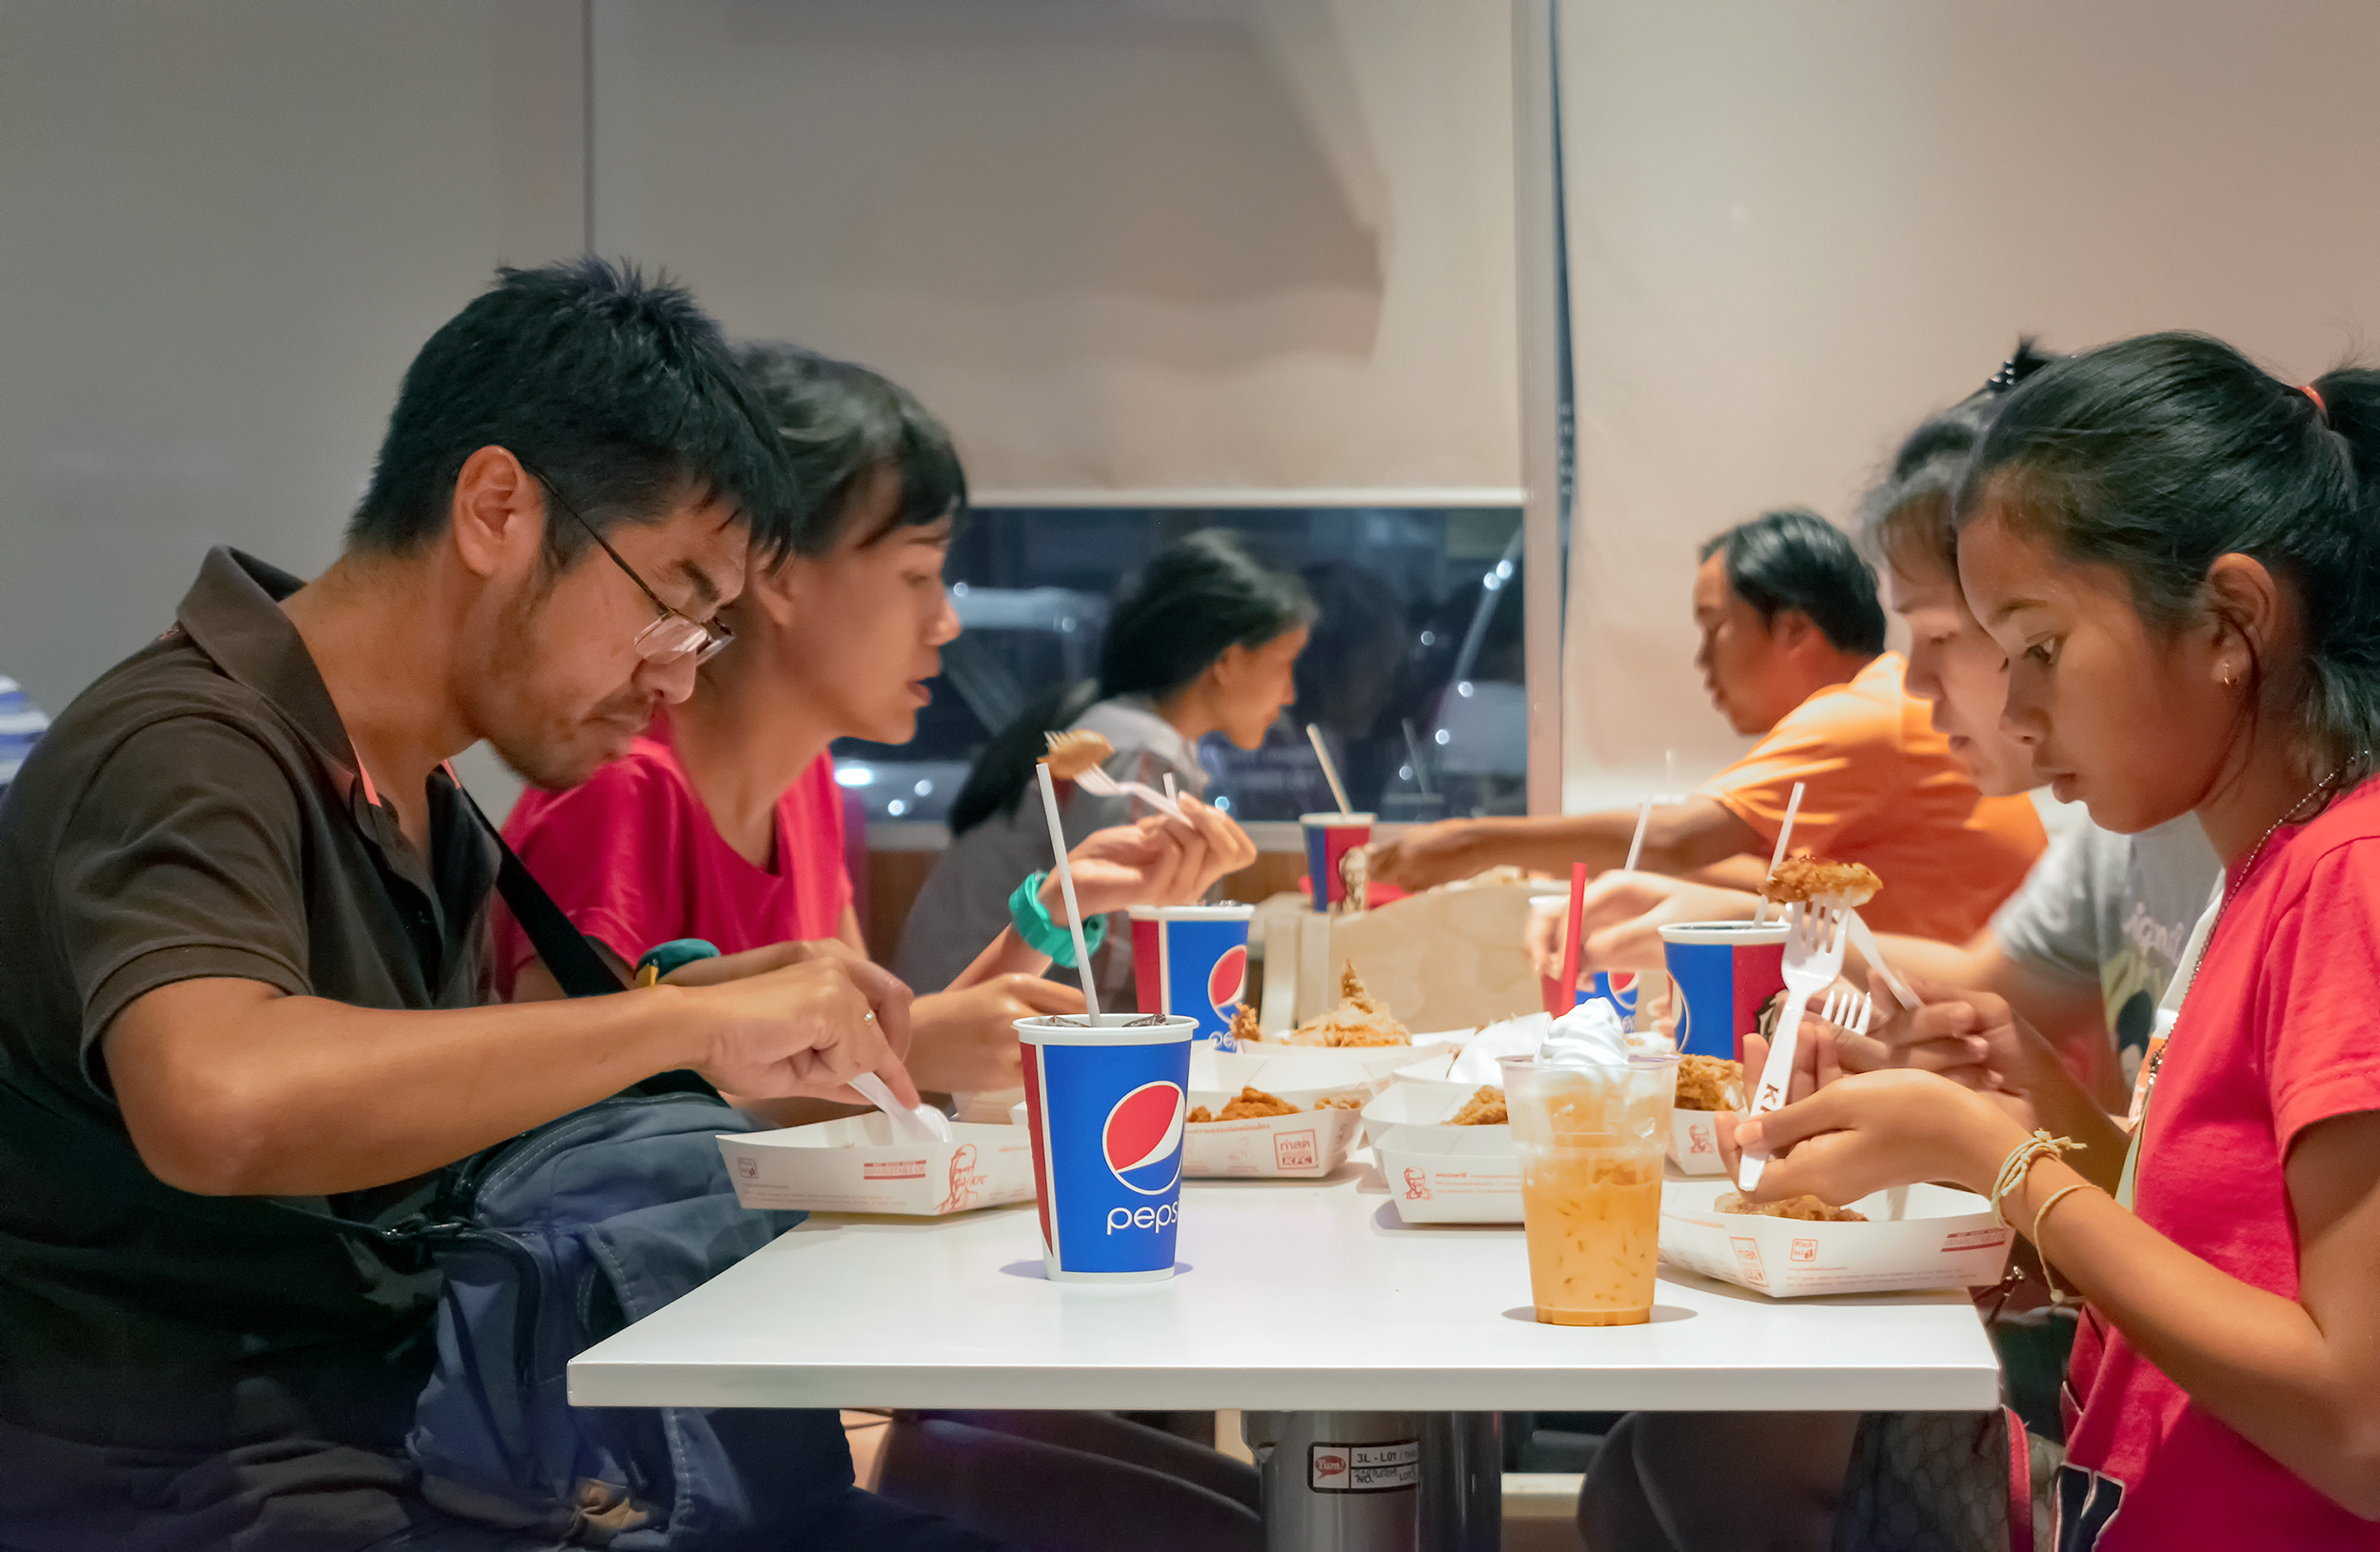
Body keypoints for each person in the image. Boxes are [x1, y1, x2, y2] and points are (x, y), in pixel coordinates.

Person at [0, 259, 997, 1552]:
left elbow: (443, 1099)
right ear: (493, 508)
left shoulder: (414, 792)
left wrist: (715, 999)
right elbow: (222, 1100)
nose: (677, 681)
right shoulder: (184, 747)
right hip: (216, 1491)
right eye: (670, 605)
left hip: (441, 1448)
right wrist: (677, 1031)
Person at [1733, 334, 2380, 1549]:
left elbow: (2359, 1426)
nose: (2017, 714)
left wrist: (2006, 1165)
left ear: (2231, 618)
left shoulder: (2347, 880)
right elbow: (2219, 1257)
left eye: (2039, 647)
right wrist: (2026, 1101)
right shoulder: (2271, 868)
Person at [500, 346, 1255, 1111]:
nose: (947, 622)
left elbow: (871, 1076)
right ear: (780, 573)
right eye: (917, 575)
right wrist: (920, 1042)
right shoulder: (617, 794)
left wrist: (1057, 909)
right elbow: (569, 1137)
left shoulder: (803, 784)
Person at [1542, 349, 2221, 1110]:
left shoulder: (2297, 869)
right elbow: (1985, 992)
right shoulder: (2120, 836)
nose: (1916, 686)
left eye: (2032, 642)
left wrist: (1993, 1147)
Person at [1370, 508, 2048, 942]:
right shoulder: (1869, 711)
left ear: (1793, 629)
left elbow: (1675, 840)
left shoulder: (1863, 715)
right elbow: (1755, 875)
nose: (1701, 659)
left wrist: (1471, 842)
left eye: (1714, 627)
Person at [898, 529, 1313, 1003]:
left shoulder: (1124, 726)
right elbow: (1123, 968)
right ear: (1228, 660)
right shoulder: (1141, 751)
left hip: (969, 1018)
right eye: (1285, 663)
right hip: (961, 1037)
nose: (1290, 694)